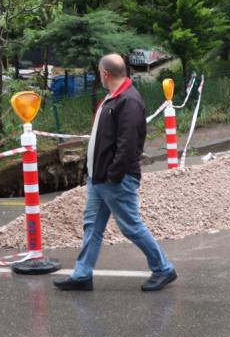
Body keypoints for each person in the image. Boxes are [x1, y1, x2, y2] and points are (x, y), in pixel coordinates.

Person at [54, 53, 177, 293]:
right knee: (92, 225)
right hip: (100, 179)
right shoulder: (114, 98)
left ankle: (163, 268)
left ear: (106, 73)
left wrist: (113, 175)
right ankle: (82, 274)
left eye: (100, 72)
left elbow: (128, 144)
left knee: (131, 226)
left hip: (114, 180)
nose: (100, 76)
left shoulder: (128, 101)